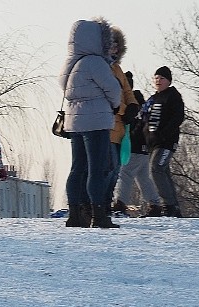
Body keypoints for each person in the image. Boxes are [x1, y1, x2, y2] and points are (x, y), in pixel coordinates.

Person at [59, 18, 121, 229]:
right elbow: (114, 91)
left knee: (77, 168)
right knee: (97, 169)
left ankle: (74, 214)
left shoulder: (70, 64)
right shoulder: (95, 63)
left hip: (74, 122)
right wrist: (114, 105)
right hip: (96, 122)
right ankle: (98, 215)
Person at [111, 73, 161, 216]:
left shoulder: (129, 103)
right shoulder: (140, 102)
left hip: (133, 145)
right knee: (143, 177)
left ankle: (120, 203)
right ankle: (155, 204)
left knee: (125, 174)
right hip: (143, 147)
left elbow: (131, 124)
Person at [140, 66, 185, 216]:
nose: (158, 81)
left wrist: (165, 133)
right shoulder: (152, 99)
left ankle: (169, 206)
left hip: (166, 141)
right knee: (163, 171)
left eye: (162, 78)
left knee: (156, 168)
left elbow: (177, 117)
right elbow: (144, 119)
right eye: (156, 78)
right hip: (153, 143)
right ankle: (174, 207)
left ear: (169, 81)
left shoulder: (172, 96)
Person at [105, 26, 140, 214]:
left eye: (117, 45)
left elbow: (127, 91)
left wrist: (133, 105)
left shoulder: (117, 69)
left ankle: (106, 203)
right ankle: (101, 203)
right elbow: (112, 99)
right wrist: (125, 109)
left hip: (120, 130)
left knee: (116, 170)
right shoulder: (103, 68)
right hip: (108, 126)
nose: (114, 48)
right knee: (108, 169)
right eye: (111, 44)